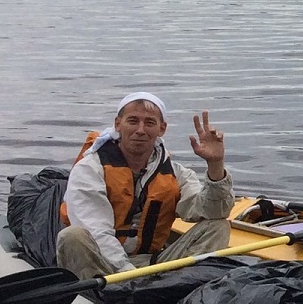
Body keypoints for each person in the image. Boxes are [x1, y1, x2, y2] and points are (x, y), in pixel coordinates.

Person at [56, 92, 235, 279]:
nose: (140, 130)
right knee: (72, 236)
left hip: (151, 263)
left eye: (149, 123)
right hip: (104, 267)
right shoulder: (89, 169)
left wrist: (215, 164)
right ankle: (108, 293)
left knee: (218, 225)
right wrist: (130, 276)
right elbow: (96, 233)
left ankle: (177, 285)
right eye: (133, 121)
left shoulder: (175, 173)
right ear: (118, 124)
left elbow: (215, 211)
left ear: (162, 129)